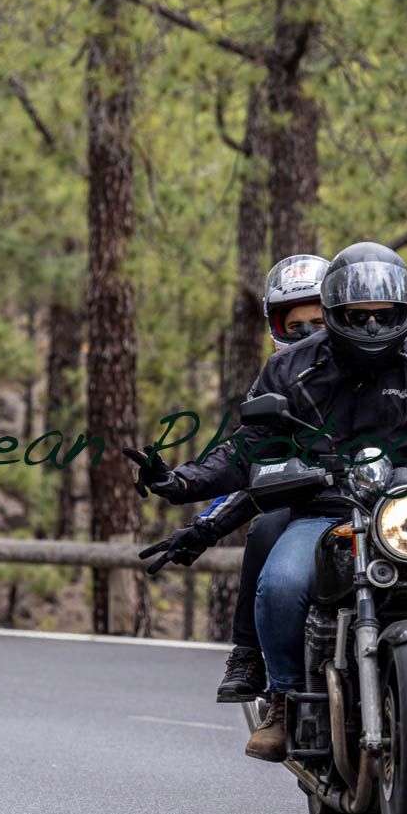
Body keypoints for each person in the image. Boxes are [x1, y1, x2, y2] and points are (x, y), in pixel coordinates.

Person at [130, 242, 407, 768]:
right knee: (281, 582)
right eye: (360, 316)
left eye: (385, 316)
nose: (374, 327)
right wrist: (179, 481)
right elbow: (248, 448)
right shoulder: (291, 367)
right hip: (324, 511)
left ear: (404, 312)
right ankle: (285, 700)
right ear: (337, 314)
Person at [132, 254, 330, 702]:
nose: (306, 334)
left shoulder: (386, 364)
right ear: (275, 326)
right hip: (309, 506)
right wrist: (190, 501)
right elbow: (246, 458)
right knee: (267, 529)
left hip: (384, 503)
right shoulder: (280, 381)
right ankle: (253, 661)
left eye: (318, 321)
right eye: (294, 324)